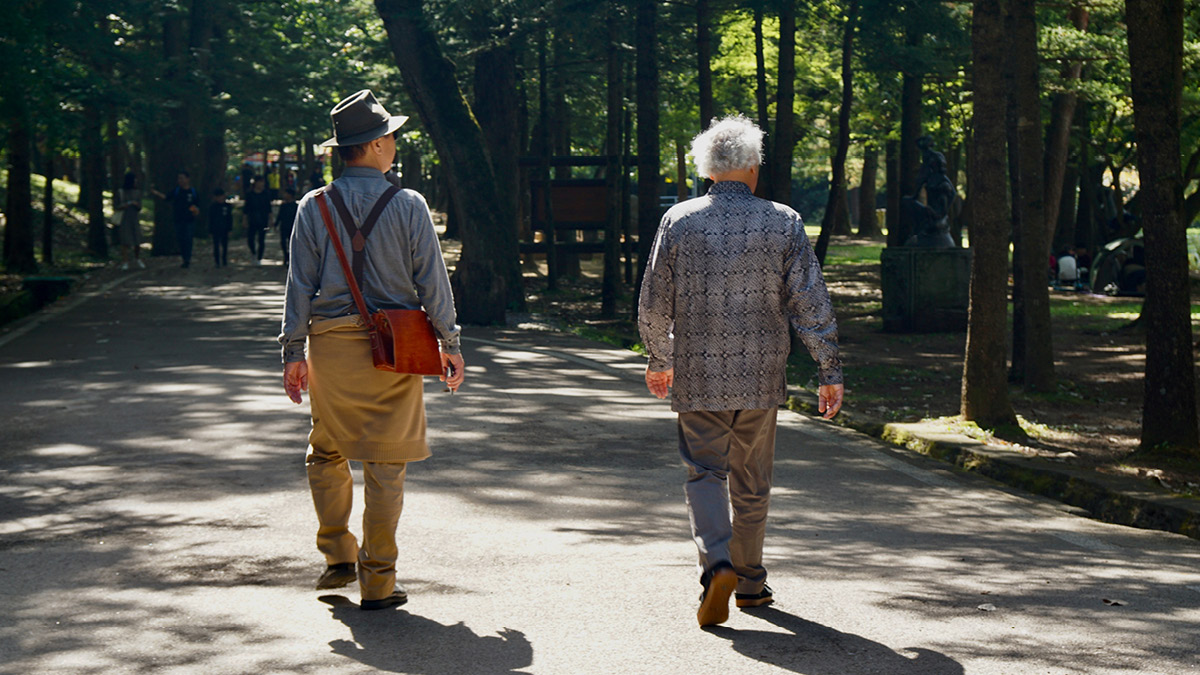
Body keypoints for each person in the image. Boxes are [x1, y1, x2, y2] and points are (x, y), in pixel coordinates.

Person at [638, 115, 843, 628]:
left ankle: (717, 564)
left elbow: (655, 298)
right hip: (761, 373)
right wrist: (828, 367)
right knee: (752, 480)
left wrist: (660, 357)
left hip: (698, 370)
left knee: (705, 471)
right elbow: (810, 299)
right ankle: (749, 583)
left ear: (708, 170)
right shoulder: (784, 221)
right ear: (753, 166)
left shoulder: (679, 220)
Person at [279, 89, 465, 611]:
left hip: (331, 348)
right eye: (392, 137)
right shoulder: (409, 205)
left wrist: (293, 351)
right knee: (386, 463)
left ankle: (337, 553)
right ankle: (378, 580)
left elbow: (299, 284)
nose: (394, 144)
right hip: (395, 348)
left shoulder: (313, 205)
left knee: (326, 449)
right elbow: (432, 281)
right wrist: (449, 343)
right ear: (378, 144)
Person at [152, 171, 200, 268]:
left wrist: (195, 211)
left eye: (182, 178)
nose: (180, 180)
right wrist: (156, 193)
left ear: (187, 179)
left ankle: (187, 259)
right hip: (178, 219)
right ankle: (184, 257)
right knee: (181, 239)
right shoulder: (176, 191)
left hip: (189, 220)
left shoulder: (193, 192)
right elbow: (166, 197)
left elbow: (197, 205)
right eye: (179, 178)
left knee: (188, 239)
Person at [115, 171, 145, 270]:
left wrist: (136, 204)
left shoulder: (137, 192)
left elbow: (140, 206)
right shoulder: (121, 192)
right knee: (125, 240)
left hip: (134, 218)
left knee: (137, 239)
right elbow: (116, 206)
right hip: (124, 219)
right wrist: (126, 204)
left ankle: (137, 258)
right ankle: (125, 261)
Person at [243, 176, 272, 265]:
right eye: (259, 182)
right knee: (250, 239)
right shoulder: (250, 194)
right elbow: (246, 209)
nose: (261, 184)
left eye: (262, 182)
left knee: (261, 239)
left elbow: (269, 208)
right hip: (252, 219)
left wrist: (271, 220)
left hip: (263, 219)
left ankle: (259, 257)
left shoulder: (266, 194)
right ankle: (253, 252)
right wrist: (244, 220)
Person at [209, 188, 233, 268]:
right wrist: (210, 230)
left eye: (221, 196)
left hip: (225, 228)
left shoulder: (227, 206)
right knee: (216, 246)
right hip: (215, 228)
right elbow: (210, 219)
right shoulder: (213, 207)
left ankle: (224, 260)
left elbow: (229, 218)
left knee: (225, 245)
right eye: (218, 197)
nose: (219, 198)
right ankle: (217, 261)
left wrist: (230, 229)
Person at [275, 187, 299, 267]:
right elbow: (280, 215)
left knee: (291, 243)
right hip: (284, 226)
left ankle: (290, 257)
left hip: (292, 227)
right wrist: (276, 224)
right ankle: (286, 256)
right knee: (283, 242)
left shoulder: (295, 206)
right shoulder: (283, 205)